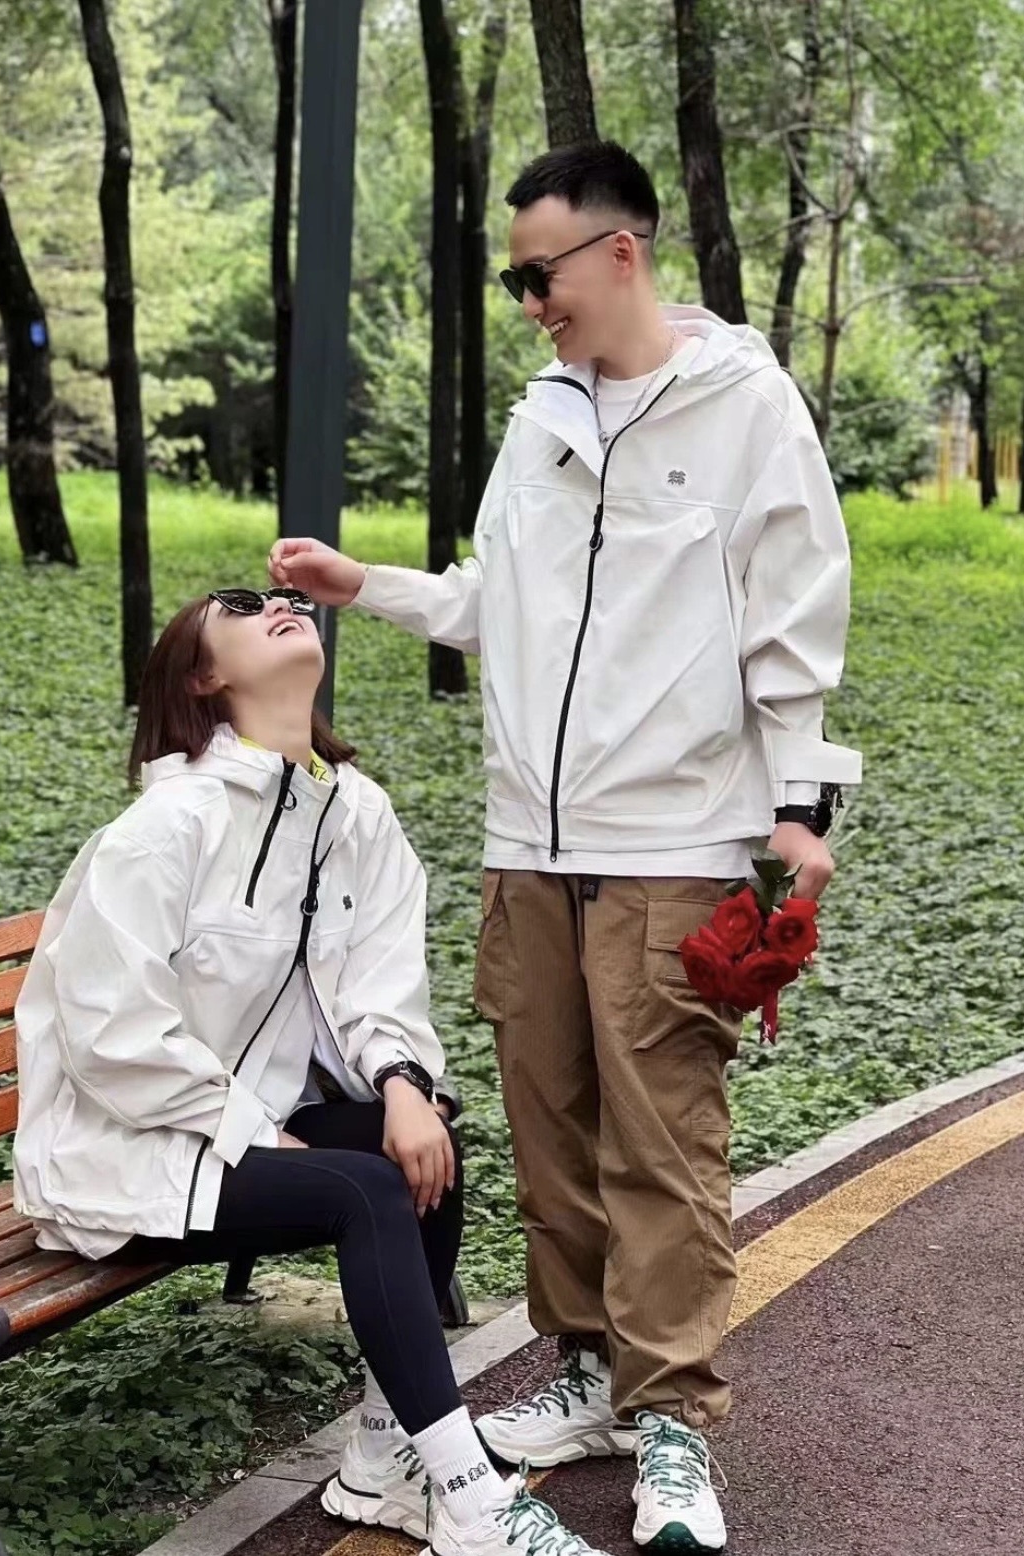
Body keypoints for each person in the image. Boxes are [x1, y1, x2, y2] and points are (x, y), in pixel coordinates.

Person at [270, 142, 863, 1553]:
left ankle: (671, 1419)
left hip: (677, 839)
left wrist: (799, 813)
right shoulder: (540, 419)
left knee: (662, 1145)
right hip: (527, 846)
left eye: (538, 277)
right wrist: (367, 586)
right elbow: (501, 600)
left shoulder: (745, 409)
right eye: (514, 282)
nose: (529, 304)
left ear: (619, 252)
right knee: (550, 1138)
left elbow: (794, 620)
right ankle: (591, 1371)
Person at [12, 585, 612, 1556]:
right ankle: (472, 1500)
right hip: (127, 1148)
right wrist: (250, 1127)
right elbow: (109, 1029)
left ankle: (382, 1458)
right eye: (244, 605)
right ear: (203, 676)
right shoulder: (167, 826)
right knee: (365, 1187)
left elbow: (381, 980)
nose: (281, 604)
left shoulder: (353, 811)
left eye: (290, 598)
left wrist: (405, 1088)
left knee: (419, 1145)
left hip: (247, 1131)